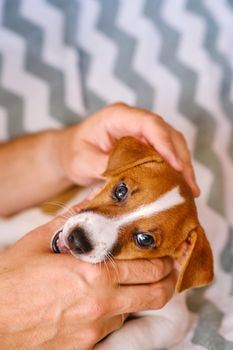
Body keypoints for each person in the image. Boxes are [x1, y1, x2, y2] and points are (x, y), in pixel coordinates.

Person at [0, 103, 200, 349]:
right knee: (17, 229)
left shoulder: (172, 260)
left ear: (183, 250)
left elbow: (173, 321)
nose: (91, 233)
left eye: (144, 239)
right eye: (121, 191)